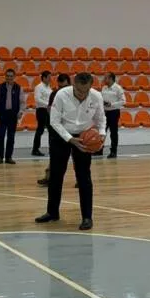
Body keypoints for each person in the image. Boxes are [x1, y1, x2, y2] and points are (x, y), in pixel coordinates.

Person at [36, 72, 105, 231]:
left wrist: (101, 136)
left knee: (84, 177)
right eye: (79, 91)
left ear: (90, 87)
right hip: (61, 135)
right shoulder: (61, 95)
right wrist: (69, 139)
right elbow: (54, 121)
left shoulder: (96, 96)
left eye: (86, 91)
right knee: (56, 175)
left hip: (84, 137)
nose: (82, 94)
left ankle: (87, 217)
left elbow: (101, 119)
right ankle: (52, 212)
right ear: (73, 85)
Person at [38, 74, 71, 186]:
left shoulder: (74, 94)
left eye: (64, 86)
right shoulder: (55, 94)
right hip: (58, 129)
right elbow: (49, 110)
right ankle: (50, 177)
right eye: (60, 86)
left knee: (76, 156)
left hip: (71, 129)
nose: (62, 88)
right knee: (55, 154)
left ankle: (80, 180)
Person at [0, 68, 25, 164]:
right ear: (5, 76)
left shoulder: (19, 88)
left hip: (13, 115)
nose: (9, 78)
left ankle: (8, 157)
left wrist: (21, 112)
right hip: (2, 115)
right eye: (7, 76)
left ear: (14, 77)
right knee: (1, 136)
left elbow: (22, 102)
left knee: (11, 137)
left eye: (11, 76)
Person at [99, 72, 125, 158]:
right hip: (104, 112)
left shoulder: (118, 88)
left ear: (111, 79)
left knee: (113, 133)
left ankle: (113, 151)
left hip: (114, 112)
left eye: (105, 78)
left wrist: (111, 104)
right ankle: (99, 150)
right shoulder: (104, 87)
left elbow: (123, 101)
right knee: (102, 131)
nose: (104, 79)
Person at [32, 71, 53, 157]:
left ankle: (52, 148)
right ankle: (35, 149)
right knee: (40, 130)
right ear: (44, 78)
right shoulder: (39, 87)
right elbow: (37, 99)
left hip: (48, 110)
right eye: (49, 77)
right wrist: (48, 105)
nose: (50, 79)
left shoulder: (49, 88)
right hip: (41, 110)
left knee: (51, 130)